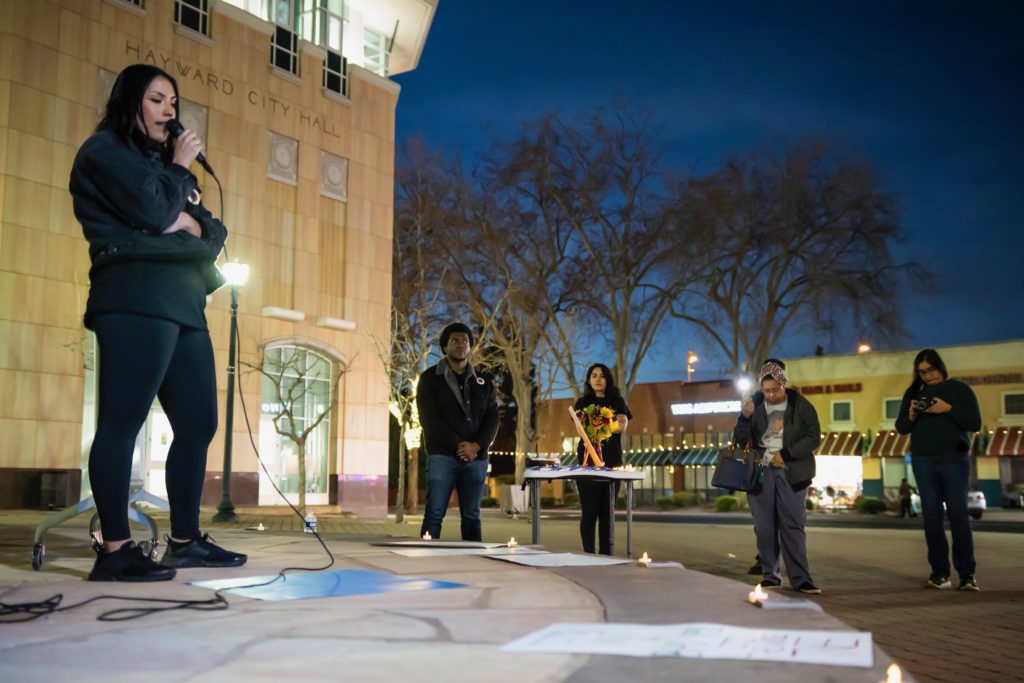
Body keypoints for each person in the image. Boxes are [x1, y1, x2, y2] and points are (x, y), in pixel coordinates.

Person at [70, 64, 246, 581]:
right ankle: (115, 550)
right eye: (156, 99)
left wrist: (183, 215)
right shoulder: (104, 153)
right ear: (131, 103)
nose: (170, 110)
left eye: (173, 101)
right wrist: (174, 189)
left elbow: (212, 232)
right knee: (123, 421)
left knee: (198, 424)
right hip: (135, 295)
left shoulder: (164, 166)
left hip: (185, 301)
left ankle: (185, 541)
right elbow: (151, 209)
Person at [895, 349, 981, 591]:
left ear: (940, 367)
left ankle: (967, 574)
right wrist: (912, 414)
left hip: (954, 457)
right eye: (921, 372)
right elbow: (901, 428)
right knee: (931, 516)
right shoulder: (913, 393)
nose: (927, 376)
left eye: (930, 370)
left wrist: (948, 409)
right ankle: (939, 573)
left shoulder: (959, 390)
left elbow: (975, 423)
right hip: (923, 459)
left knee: (958, 514)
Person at [734, 359, 822, 594]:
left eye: (775, 389)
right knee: (764, 527)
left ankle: (801, 578)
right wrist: (744, 417)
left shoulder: (800, 404)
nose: (770, 394)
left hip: (792, 473)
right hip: (761, 473)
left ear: (784, 383)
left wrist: (787, 454)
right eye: (766, 390)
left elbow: (813, 437)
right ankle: (770, 575)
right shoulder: (756, 404)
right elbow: (741, 439)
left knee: (792, 525)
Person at [417, 323, 499, 541]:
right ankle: (424, 560)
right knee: (434, 513)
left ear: (470, 346)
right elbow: (429, 419)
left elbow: (493, 418)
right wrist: (459, 446)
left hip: (476, 459)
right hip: (442, 456)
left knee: (472, 516)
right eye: (455, 340)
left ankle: (474, 563)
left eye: (465, 340)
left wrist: (477, 446)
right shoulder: (429, 379)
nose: (461, 344)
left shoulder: (484, 381)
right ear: (444, 347)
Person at [573, 364, 631, 555]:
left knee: (607, 513)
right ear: (589, 380)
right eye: (594, 375)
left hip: (612, 461)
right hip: (587, 461)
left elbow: (622, 425)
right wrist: (606, 424)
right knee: (589, 512)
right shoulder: (582, 403)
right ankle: (588, 555)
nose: (598, 379)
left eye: (602, 376)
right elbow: (580, 429)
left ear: (608, 379)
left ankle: (606, 555)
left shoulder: (617, 401)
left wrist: (598, 426)